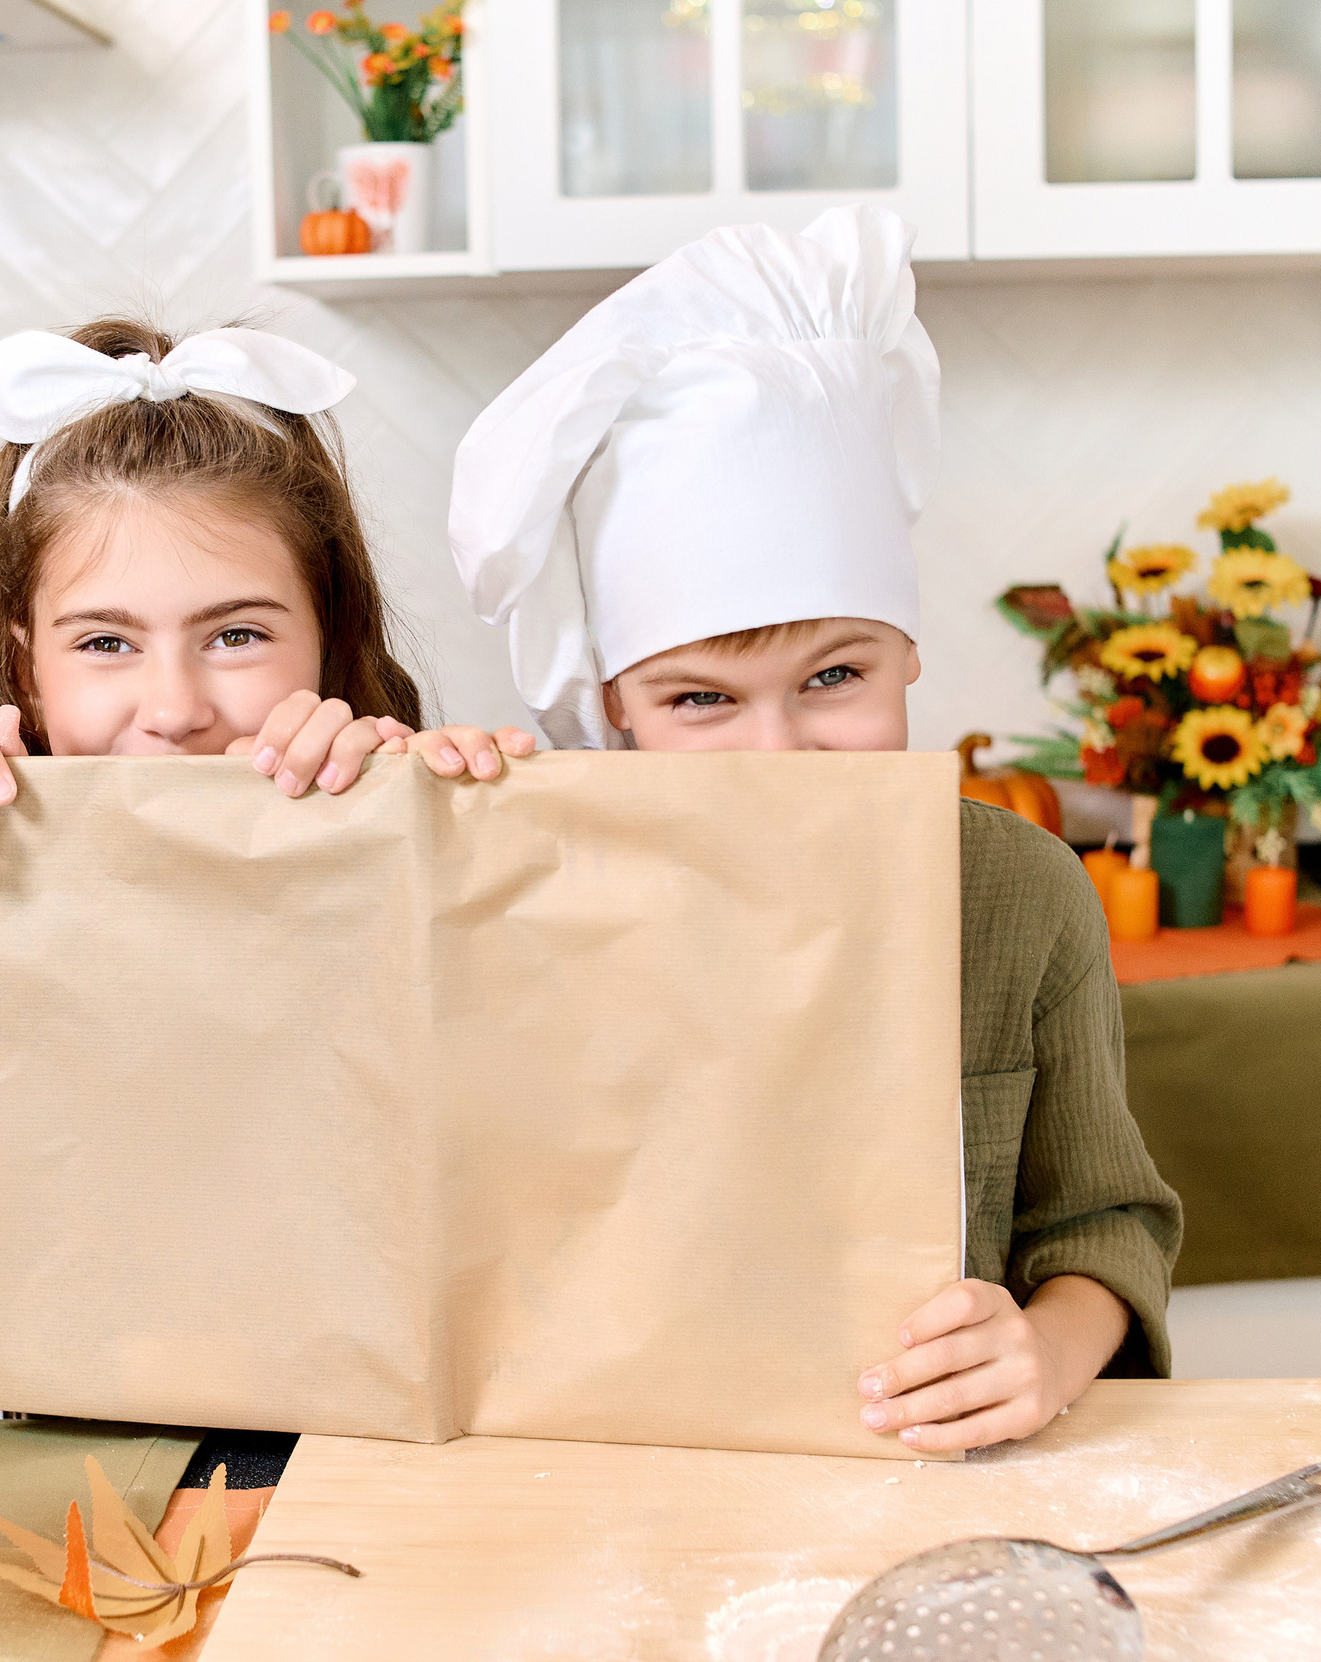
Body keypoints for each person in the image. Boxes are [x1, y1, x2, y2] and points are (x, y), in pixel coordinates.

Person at [444, 206, 1184, 1455]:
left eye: (835, 676)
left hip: (922, 1464)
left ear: (908, 652)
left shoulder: (1017, 892)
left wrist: (1049, 1348)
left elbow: (1103, 1224)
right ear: (613, 707)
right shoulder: (526, 894)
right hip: (600, 1471)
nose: (777, 751)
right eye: (700, 701)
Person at [0, 317, 529, 1414]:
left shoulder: (408, 813)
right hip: (93, 1480)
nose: (175, 709)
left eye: (236, 636)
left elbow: (513, 1279)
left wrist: (433, 856)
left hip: (365, 1465)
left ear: (329, 642)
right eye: (105, 642)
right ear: (24, 669)